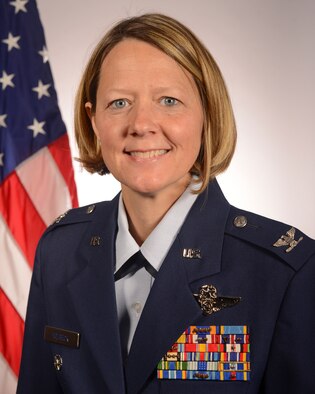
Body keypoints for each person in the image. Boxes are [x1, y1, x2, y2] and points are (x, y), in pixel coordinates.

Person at [17, 13, 315, 394]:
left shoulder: (286, 271)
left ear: (207, 113)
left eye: (169, 100)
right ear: (94, 121)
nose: (142, 124)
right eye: (119, 102)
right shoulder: (59, 251)